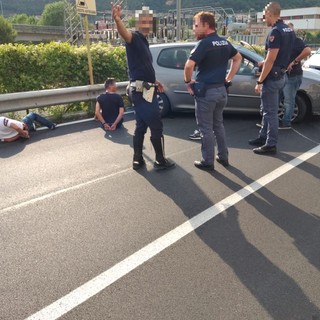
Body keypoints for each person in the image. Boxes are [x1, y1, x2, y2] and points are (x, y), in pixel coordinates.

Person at [111, 3, 175, 171]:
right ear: (138, 23)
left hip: (145, 88)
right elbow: (125, 34)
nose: (147, 24)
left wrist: (155, 81)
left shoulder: (145, 42)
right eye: (144, 21)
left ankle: (138, 159)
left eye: (150, 21)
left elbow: (144, 68)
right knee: (156, 125)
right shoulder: (135, 37)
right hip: (141, 90)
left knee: (141, 125)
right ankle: (160, 160)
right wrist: (117, 19)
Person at [183, 11, 242, 170]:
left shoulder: (203, 44)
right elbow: (238, 58)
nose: (193, 29)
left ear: (206, 25)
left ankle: (207, 161)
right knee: (218, 125)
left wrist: (188, 82)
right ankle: (223, 157)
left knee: (205, 128)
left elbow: (188, 66)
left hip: (206, 93)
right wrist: (228, 78)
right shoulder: (223, 42)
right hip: (221, 91)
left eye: (196, 25)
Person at [249, 2, 295, 155]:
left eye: (264, 16)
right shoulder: (289, 30)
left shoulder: (275, 31)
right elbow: (288, 53)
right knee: (268, 110)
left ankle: (270, 144)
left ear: (269, 13)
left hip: (272, 78)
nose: (264, 19)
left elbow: (270, 59)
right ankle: (263, 137)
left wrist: (260, 81)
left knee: (270, 112)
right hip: (281, 75)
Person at [280, 22, 311, 128]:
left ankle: (286, 122)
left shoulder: (297, 41)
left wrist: (295, 61)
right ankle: (280, 119)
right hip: (284, 75)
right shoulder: (284, 42)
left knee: (289, 100)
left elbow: (308, 50)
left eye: (290, 30)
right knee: (282, 98)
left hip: (293, 75)